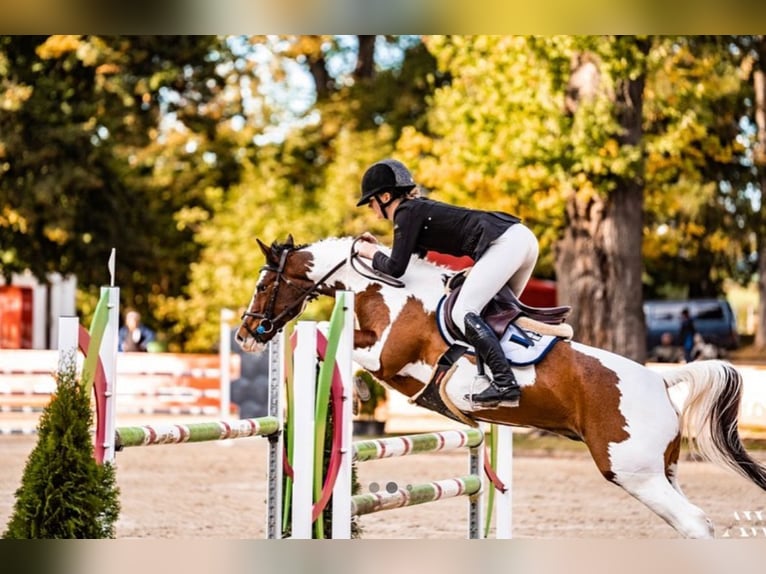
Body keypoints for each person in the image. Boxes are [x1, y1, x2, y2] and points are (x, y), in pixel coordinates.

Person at [354, 158, 539, 408]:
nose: (371, 210)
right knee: (494, 315)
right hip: (521, 239)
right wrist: (378, 250)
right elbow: (408, 263)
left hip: (505, 243)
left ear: (385, 196)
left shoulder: (405, 212)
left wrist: (368, 252)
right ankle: (518, 375)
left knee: (464, 312)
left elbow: (395, 269)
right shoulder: (415, 210)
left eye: (371, 203)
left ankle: (506, 385)